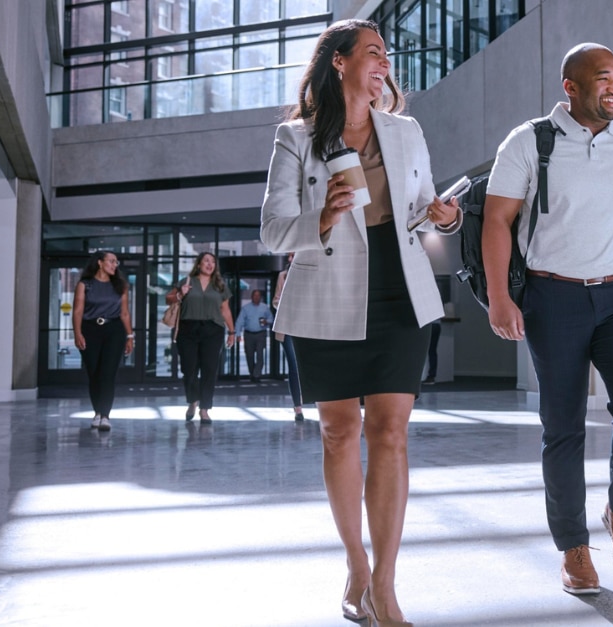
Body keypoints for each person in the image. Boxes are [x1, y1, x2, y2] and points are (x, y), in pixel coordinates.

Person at [258, 19, 460, 627]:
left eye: (387, 57)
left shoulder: (406, 131)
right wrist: (319, 218)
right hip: (327, 292)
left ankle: (386, 586)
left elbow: (425, 213)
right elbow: (272, 230)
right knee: (340, 432)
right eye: (374, 53)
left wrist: (444, 218)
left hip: (399, 293)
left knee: (391, 433)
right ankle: (356, 565)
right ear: (339, 62)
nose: (384, 65)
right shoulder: (295, 138)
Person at [483, 42, 613, 596]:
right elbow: (496, 220)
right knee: (561, 426)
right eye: (602, 78)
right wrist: (499, 296)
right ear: (571, 86)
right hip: (552, 298)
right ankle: (573, 547)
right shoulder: (529, 141)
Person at [167, 251, 236, 424]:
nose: (209, 264)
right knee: (188, 370)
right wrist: (180, 294)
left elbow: (225, 310)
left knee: (209, 370)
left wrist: (232, 332)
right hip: (188, 329)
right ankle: (193, 401)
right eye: (206, 261)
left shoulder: (220, 285)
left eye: (213, 261)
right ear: (198, 264)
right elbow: (168, 298)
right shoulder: (187, 282)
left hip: (213, 330)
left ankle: (204, 409)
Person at [72, 251, 134, 431]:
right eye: (112, 261)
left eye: (116, 262)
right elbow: (77, 311)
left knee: (108, 374)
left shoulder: (120, 286)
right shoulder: (85, 285)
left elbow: (124, 313)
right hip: (90, 330)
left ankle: (105, 415)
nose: (115, 265)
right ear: (100, 263)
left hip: (114, 330)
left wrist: (130, 336)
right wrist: (77, 333)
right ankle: (97, 412)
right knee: (94, 373)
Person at [272, 253, 304, 421]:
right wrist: (286, 307)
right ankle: (297, 407)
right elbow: (276, 301)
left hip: (309, 327)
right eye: (290, 256)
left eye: (295, 254)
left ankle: (314, 402)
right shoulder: (283, 276)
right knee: (294, 365)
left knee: (309, 366)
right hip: (289, 326)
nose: (292, 258)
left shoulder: (311, 273)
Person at [235, 289, 274, 382]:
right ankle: (252, 373)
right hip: (248, 334)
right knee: (249, 355)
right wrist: (237, 334)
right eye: (255, 295)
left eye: (258, 295)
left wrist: (267, 321)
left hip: (260, 334)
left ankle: (256, 375)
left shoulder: (265, 307)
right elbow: (239, 321)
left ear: (260, 297)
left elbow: (271, 319)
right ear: (251, 297)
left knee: (260, 355)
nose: (256, 297)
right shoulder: (246, 308)